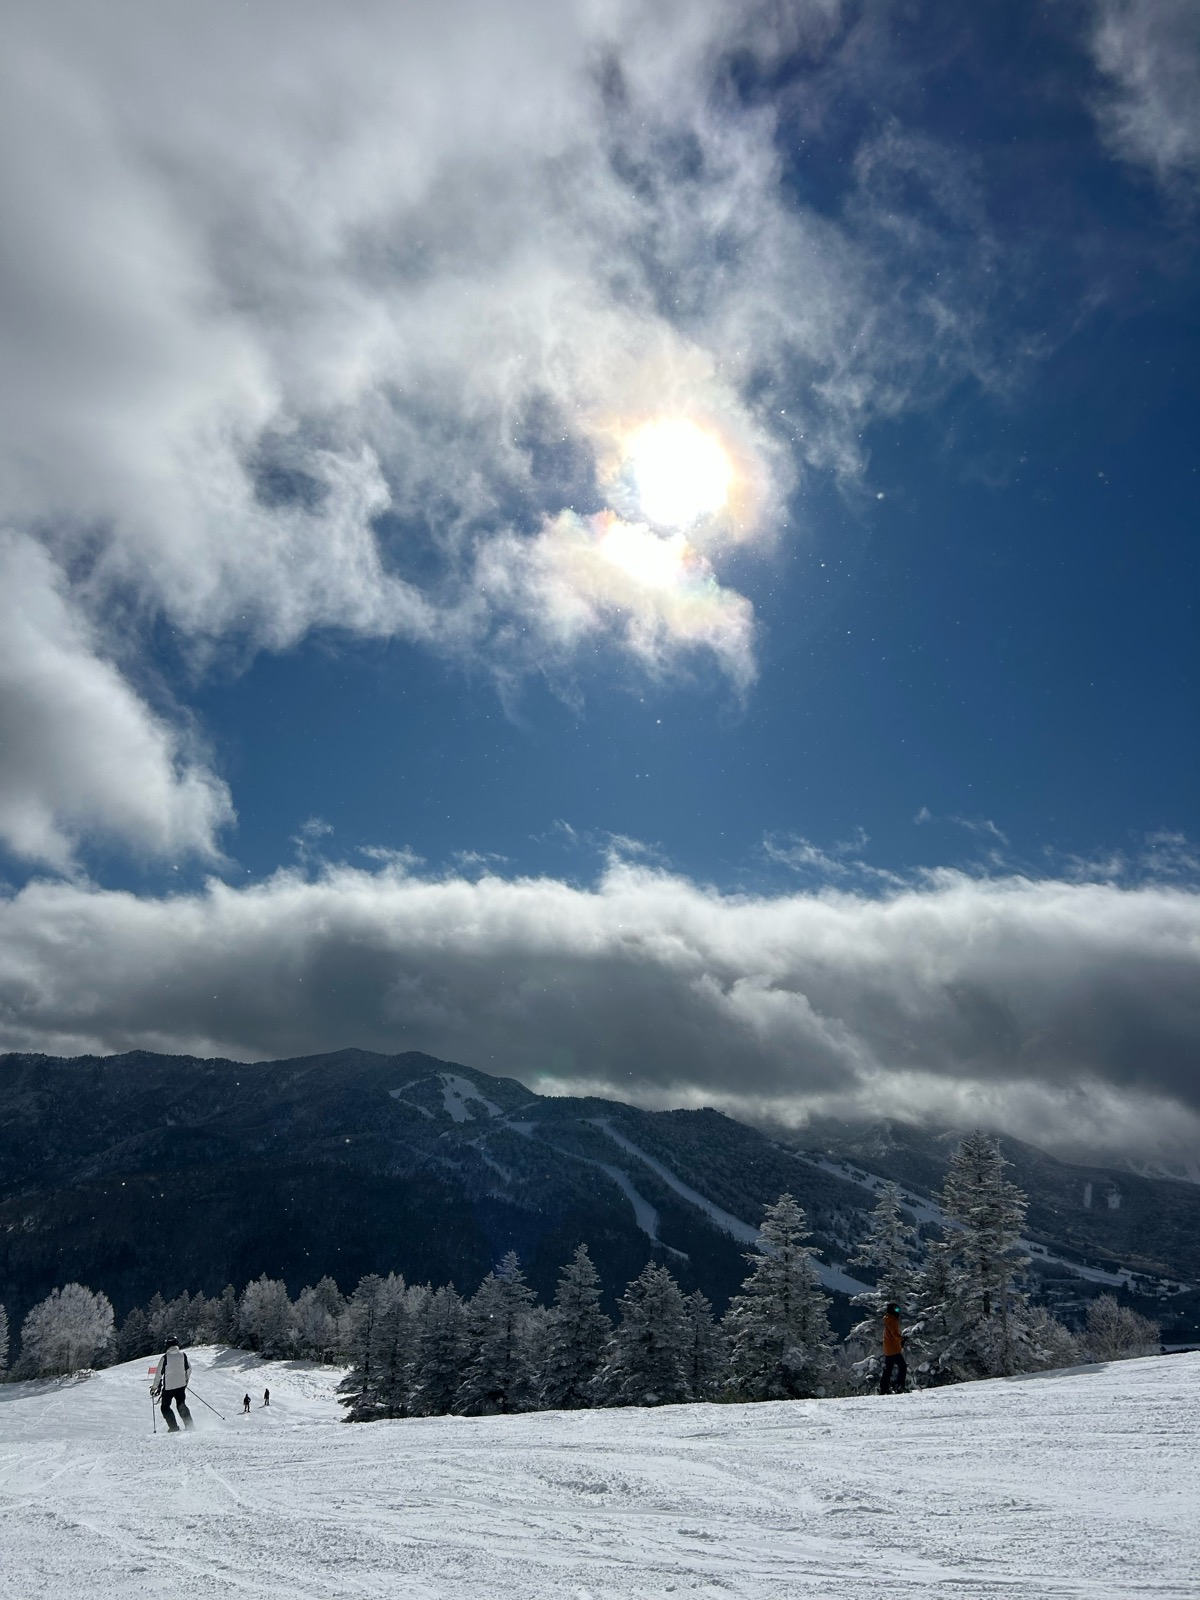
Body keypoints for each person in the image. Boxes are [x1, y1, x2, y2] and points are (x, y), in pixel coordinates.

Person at [152, 1337, 193, 1431]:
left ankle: (174, 1427)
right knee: (181, 1405)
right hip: (181, 1386)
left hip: (168, 1388)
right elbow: (189, 1369)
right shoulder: (183, 1355)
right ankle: (190, 1426)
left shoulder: (165, 1358)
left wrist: (154, 1387)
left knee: (165, 1407)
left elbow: (158, 1374)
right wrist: (186, 1380)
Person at [880, 1303, 907, 1394]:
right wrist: (902, 1339)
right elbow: (894, 1334)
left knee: (888, 1369)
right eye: (897, 1310)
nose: (898, 1312)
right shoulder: (892, 1320)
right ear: (892, 1310)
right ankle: (900, 1386)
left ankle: (883, 1388)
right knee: (902, 1366)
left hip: (887, 1349)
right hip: (894, 1349)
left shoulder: (888, 1319)